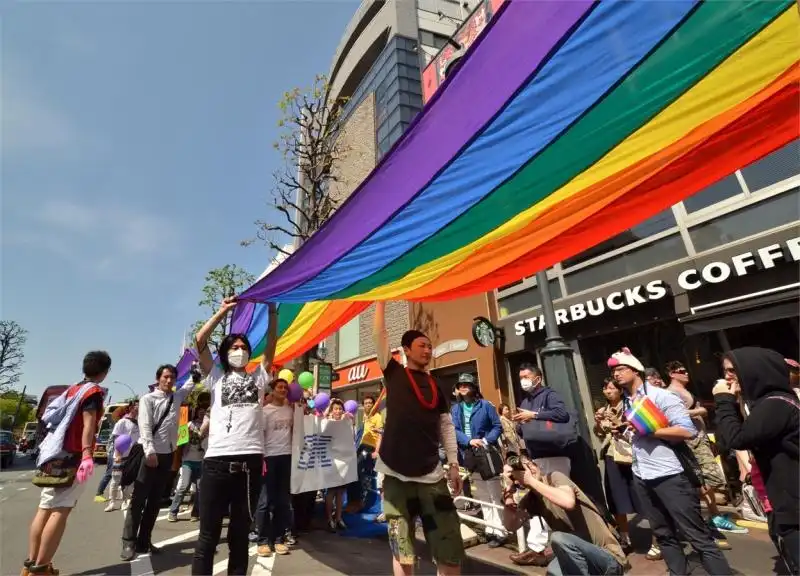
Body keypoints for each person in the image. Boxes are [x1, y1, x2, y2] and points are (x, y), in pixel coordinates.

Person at [607, 348, 731, 576]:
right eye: (613, 371)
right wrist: (624, 430)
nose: (616, 375)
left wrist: (648, 431)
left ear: (636, 370)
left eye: (621, 369)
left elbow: (686, 430)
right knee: (663, 533)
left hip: (671, 474)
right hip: (642, 474)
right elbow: (638, 434)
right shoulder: (628, 401)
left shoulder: (660, 396)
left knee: (697, 535)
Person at [374, 302, 463, 576]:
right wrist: (380, 300)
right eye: (422, 345)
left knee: (449, 547)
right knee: (403, 550)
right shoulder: (393, 372)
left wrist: (453, 464)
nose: (428, 350)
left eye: (429, 346)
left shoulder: (437, 385)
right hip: (395, 476)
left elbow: (446, 426)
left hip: (432, 478)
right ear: (406, 350)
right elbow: (379, 336)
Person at [191, 297, 278, 576]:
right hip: (216, 462)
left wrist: (272, 311)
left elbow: (271, 349)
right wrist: (223, 311)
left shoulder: (259, 378)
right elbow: (200, 340)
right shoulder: (215, 376)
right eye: (235, 347)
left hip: (250, 465)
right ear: (226, 352)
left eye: (244, 347)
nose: (240, 350)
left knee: (240, 538)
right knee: (208, 538)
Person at [23, 351, 110, 576]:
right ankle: (41, 569)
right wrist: (88, 454)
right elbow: (88, 425)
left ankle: (30, 565)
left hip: (52, 455)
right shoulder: (92, 392)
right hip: (73, 456)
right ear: (105, 372)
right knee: (60, 510)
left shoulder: (71, 390)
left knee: (44, 509)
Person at [714, 347, 799, 574]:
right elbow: (726, 441)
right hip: (781, 500)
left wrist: (723, 400)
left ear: (754, 370)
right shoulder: (763, 403)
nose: (727, 377)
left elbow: (738, 438)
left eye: (733, 370)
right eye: (725, 372)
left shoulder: (776, 404)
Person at [121, 363, 195, 561]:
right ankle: (128, 542)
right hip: (149, 454)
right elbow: (144, 426)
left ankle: (144, 541)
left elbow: (190, 385)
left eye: (172, 377)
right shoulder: (148, 399)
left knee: (155, 502)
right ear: (158, 378)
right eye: (165, 377)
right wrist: (150, 451)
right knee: (138, 500)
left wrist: (197, 371)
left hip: (167, 455)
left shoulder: (176, 397)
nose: (169, 381)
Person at [502, 460, 627, 576]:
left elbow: (568, 502)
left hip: (608, 558)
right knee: (552, 571)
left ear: (537, 466)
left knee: (558, 538)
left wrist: (532, 482)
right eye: (520, 471)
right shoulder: (531, 500)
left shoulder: (555, 478)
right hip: (581, 559)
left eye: (529, 466)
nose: (527, 471)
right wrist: (508, 493)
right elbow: (511, 525)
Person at [665, 360, 742, 540]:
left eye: (685, 369)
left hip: (700, 439)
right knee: (703, 481)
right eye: (681, 371)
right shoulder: (671, 393)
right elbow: (674, 415)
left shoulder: (684, 391)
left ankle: (712, 516)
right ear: (672, 374)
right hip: (690, 442)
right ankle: (701, 520)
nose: (686, 373)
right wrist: (699, 411)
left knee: (707, 481)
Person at [510, 363, 571, 567]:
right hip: (536, 457)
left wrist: (534, 415)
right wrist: (519, 424)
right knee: (538, 501)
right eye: (521, 377)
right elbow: (524, 430)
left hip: (554, 455)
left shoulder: (550, 395)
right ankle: (536, 548)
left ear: (538, 377)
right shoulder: (526, 400)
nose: (523, 381)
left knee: (555, 502)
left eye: (526, 376)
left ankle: (557, 547)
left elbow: (562, 415)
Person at [450, 373, 505, 547]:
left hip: (486, 453)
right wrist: (468, 441)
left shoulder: (485, 405)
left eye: (467, 384)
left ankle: (500, 530)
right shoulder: (455, 409)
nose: (463, 387)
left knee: (494, 493)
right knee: (481, 494)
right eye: (460, 384)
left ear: (474, 387)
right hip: (469, 454)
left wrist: (486, 441)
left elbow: (497, 426)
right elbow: (454, 430)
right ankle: (490, 529)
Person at [593, 378, 635, 550]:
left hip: (631, 456)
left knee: (640, 496)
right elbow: (599, 434)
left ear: (620, 390)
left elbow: (636, 431)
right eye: (605, 388)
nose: (608, 391)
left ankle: (658, 540)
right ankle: (625, 537)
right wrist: (598, 422)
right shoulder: (604, 409)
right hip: (612, 455)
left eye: (612, 388)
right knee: (617, 498)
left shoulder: (630, 407)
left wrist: (617, 422)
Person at [256, 378, 293, 557]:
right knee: (264, 501)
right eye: (280, 387)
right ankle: (262, 540)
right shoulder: (265, 412)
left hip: (286, 458)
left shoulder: (291, 410)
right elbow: (260, 437)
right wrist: (261, 458)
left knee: (282, 501)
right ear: (272, 390)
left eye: (286, 387)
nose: (283, 390)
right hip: (269, 458)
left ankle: (278, 539)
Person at [167, 406, 207, 522]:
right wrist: (187, 435)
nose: (201, 415)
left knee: (200, 489)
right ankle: (173, 511)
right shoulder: (189, 424)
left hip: (201, 461)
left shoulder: (209, 426)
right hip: (188, 461)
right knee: (184, 486)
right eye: (200, 412)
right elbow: (181, 441)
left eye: (204, 413)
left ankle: (195, 513)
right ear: (195, 413)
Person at [345, 394, 383, 514]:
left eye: (370, 403)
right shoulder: (365, 417)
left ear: (374, 405)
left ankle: (358, 502)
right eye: (366, 403)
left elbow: (380, 435)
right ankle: (352, 501)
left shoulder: (377, 417)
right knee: (350, 469)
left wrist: (377, 451)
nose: (368, 405)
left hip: (370, 448)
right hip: (361, 446)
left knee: (355, 469)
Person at [105, 402, 140, 512]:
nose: (139, 408)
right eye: (137, 406)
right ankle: (112, 502)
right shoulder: (122, 422)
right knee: (115, 480)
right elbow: (116, 438)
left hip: (132, 457)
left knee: (129, 481)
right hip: (120, 456)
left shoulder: (139, 423)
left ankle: (125, 501)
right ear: (131, 408)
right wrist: (118, 454)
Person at [324, 398, 350, 532]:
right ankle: (329, 518)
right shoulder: (328, 423)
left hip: (343, 461)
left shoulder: (347, 423)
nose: (338, 411)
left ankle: (339, 518)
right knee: (331, 491)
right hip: (331, 461)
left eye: (340, 409)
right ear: (332, 411)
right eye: (336, 409)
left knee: (340, 492)